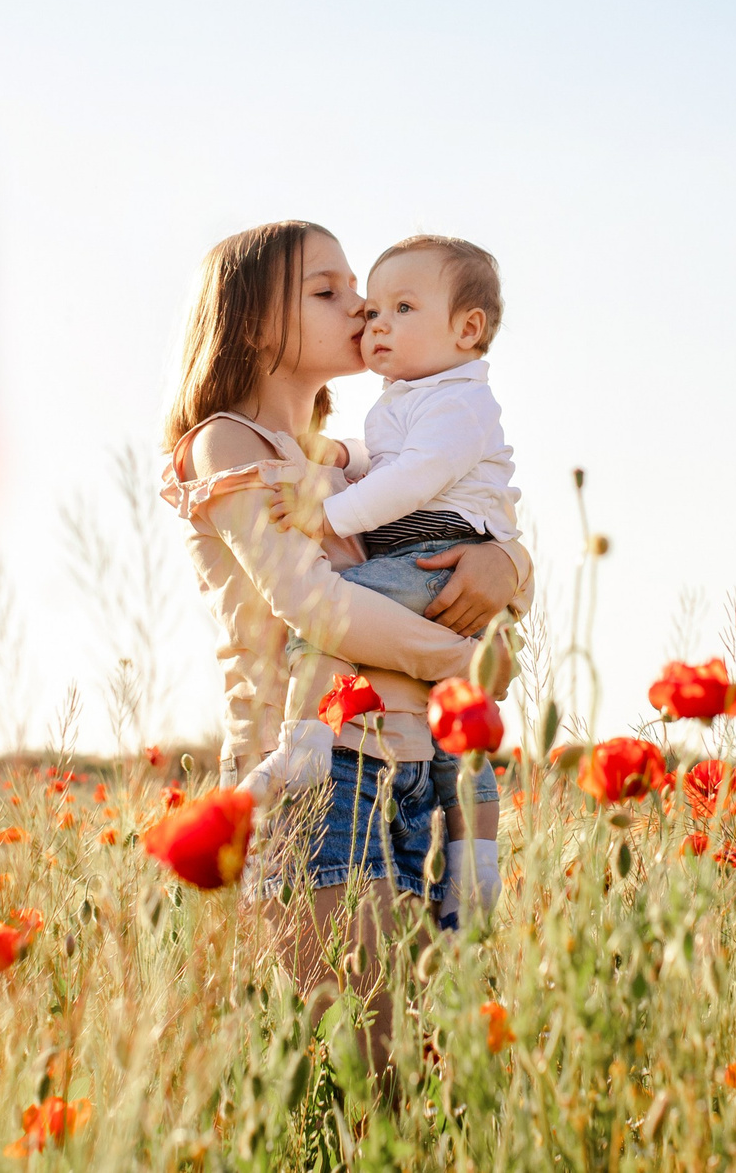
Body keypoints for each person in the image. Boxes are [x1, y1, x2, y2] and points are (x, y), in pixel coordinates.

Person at [158, 220, 529, 1069]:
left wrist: (508, 562)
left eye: (356, 286)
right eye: (327, 291)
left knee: (435, 1065)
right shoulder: (225, 443)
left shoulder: (354, 460)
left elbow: (462, 526)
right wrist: (464, 663)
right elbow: (315, 605)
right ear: (253, 323)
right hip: (315, 774)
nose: (361, 306)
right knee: (369, 1064)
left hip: (415, 765)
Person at [270, 234, 516, 929]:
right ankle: (476, 861)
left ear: (467, 328)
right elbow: (385, 456)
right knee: (457, 723)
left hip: (431, 553)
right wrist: (343, 453)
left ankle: (304, 749)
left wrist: (328, 513)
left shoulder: (461, 403)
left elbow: (412, 475)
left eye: (401, 308)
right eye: (374, 310)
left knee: (320, 625)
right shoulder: (416, 396)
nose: (374, 322)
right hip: (433, 558)